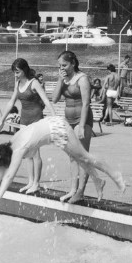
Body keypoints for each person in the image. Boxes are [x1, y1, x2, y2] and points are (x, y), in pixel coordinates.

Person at [0, 116, 126, 214]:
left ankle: (115, 174)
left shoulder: (18, 150)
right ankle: (98, 181)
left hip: (57, 129)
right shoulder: (11, 142)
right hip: (52, 128)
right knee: (79, 159)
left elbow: (7, 176)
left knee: (85, 157)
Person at [0, 58, 55, 194]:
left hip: (36, 119)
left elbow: (45, 99)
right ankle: (30, 181)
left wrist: (53, 115)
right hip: (24, 119)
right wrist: (2, 120)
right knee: (27, 152)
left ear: (24, 70)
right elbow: (11, 102)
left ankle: (36, 183)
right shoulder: (17, 84)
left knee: (36, 153)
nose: (15, 75)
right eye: (14, 72)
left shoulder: (34, 83)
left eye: (17, 72)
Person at [52, 50, 94, 204]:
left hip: (82, 120)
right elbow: (55, 99)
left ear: (73, 63)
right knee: (72, 156)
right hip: (69, 120)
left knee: (82, 156)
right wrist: (59, 80)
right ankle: (72, 189)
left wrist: (82, 126)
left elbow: (86, 103)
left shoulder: (82, 79)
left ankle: (81, 192)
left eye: (64, 65)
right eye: (59, 66)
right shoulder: (64, 79)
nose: (61, 68)